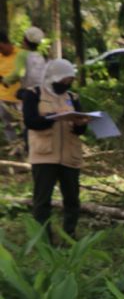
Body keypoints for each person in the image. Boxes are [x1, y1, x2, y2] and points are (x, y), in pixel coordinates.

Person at [23, 58, 89, 237]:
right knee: (42, 200)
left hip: (69, 155)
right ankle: (43, 238)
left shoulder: (72, 98)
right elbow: (30, 122)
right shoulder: (34, 94)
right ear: (53, 77)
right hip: (44, 155)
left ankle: (70, 234)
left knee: (72, 199)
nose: (67, 84)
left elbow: (79, 130)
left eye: (70, 81)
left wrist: (81, 123)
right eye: (63, 80)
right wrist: (53, 116)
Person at [2, 26, 47, 101]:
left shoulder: (22, 55)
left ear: (24, 41)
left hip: (28, 92)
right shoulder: (40, 56)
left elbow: (19, 73)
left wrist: (6, 81)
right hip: (40, 91)